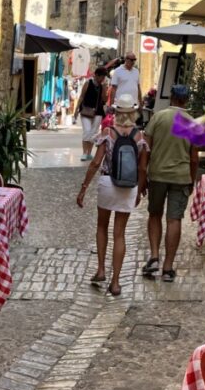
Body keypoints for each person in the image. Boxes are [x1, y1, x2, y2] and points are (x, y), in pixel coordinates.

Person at [76, 94, 149, 297]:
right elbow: (142, 168)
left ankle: (100, 270)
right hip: (128, 186)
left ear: (116, 112)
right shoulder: (140, 137)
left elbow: (95, 162)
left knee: (101, 226)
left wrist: (84, 187)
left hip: (107, 183)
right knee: (120, 234)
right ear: (133, 112)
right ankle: (115, 282)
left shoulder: (109, 133)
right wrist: (140, 190)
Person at [142, 83, 198, 283]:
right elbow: (194, 158)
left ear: (171, 98)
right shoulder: (192, 123)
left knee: (155, 214)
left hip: (157, 175)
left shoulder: (158, 117)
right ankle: (168, 267)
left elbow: (145, 149)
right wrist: (191, 180)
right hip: (181, 176)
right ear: (186, 100)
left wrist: (142, 177)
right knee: (174, 220)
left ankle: (155, 256)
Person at [73, 66, 108, 162]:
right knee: (87, 131)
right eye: (102, 76)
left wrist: (104, 88)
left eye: (104, 77)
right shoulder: (88, 83)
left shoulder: (102, 86)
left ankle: (89, 153)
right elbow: (81, 96)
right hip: (86, 110)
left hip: (98, 111)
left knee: (93, 133)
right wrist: (76, 110)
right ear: (96, 75)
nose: (103, 79)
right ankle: (84, 152)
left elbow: (104, 100)